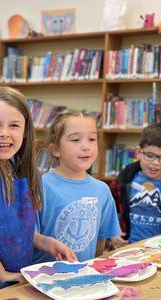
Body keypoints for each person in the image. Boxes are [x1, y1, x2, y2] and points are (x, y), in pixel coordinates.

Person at [0, 87, 76, 300]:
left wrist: (46, 243)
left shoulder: (15, 165)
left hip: (13, 279)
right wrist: (2, 274)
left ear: (25, 130)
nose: (4, 133)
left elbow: (9, 229)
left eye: (14, 125)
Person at [33, 110, 121, 263]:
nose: (86, 146)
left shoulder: (102, 190)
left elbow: (101, 238)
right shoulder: (40, 186)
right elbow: (29, 236)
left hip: (83, 277)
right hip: (45, 278)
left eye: (92, 139)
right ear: (55, 149)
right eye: (75, 140)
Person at [109, 122, 161, 249]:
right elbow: (108, 216)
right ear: (139, 152)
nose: (155, 163)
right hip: (127, 250)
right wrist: (112, 235)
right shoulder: (122, 182)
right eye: (149, 155)